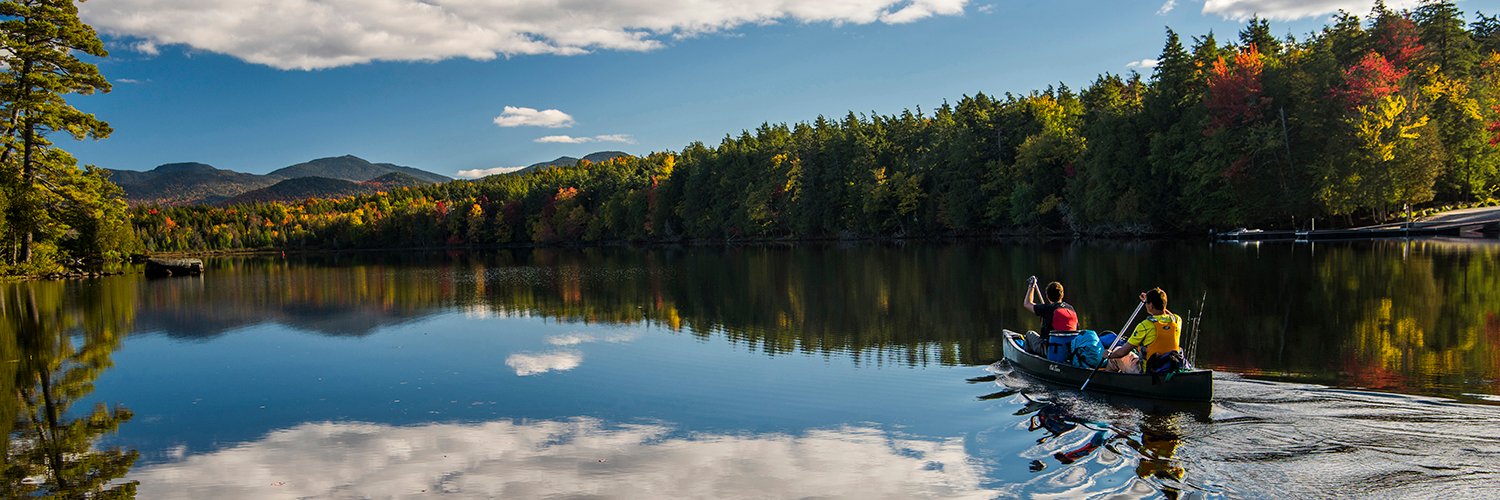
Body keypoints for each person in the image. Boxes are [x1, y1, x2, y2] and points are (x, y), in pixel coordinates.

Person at [1102, 287, 1184, 374]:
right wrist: (1152, 301)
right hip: (1170, 367)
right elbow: (1165, 312)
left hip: (1147, 371)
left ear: (1151, 306)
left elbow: (1122, 352)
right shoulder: (1177, 320)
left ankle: (1107, 380)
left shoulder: (1145, 325)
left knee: (1116, 352)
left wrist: (1109, 355)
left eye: (1147, 304)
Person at [1021, 276, 1078, 355]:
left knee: (1029, 334)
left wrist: (1032, 285)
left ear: (1047, 296)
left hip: (1049, 350)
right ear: (1062, 294)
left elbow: (1027, 304)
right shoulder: (1071, 309)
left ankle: (1029, 359)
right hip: (1069, 351)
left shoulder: (1048, 309)